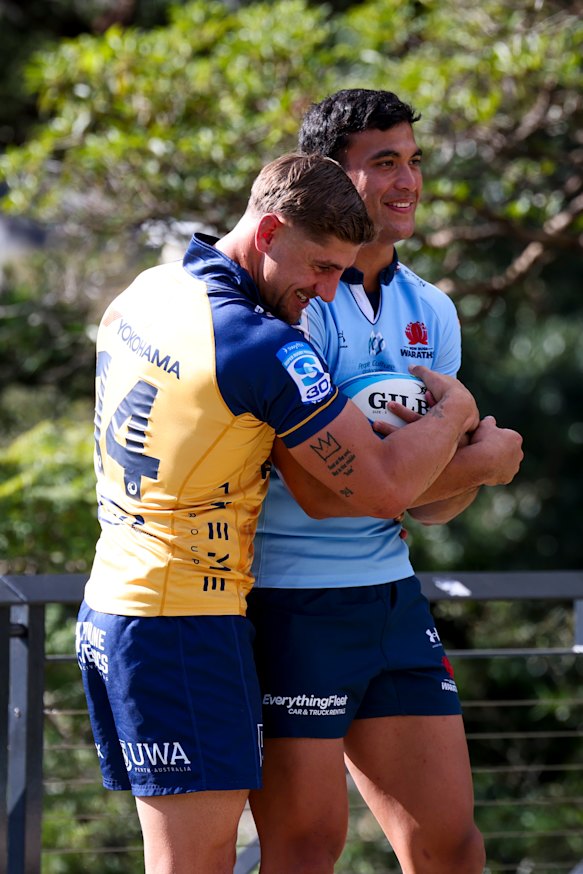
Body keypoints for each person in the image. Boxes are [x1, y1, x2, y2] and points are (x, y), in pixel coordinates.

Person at [75, 151, 483, 874]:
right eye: (321, 268)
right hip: (180, 625)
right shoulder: (259, 346)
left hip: (121, 603)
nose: (326, 293)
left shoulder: (149, 291)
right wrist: (457, 415)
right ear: (267, 233)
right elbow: (383, 485)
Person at [247, 91, 524, 874]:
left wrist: (441, 472)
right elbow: (318, 490)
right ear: (331, 178)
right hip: (288, 601)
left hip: (392, 597)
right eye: (383, 163)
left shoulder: (429, 308)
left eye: (413, 161)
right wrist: (486, 459)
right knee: (305, 849)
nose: (407, 182)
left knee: (450, 847)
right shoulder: (289, 301)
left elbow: (432, 506)